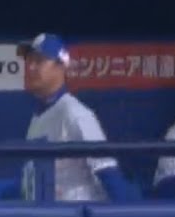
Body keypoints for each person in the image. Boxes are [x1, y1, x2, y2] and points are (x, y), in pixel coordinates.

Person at [18, 33, 138, 202]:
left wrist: (128, 216)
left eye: (39, 61)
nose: (30, 67)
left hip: (78, 212)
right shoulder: (38, 117)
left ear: (60, 67)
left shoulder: (74, 112)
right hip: (50, 213)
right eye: (29, 60)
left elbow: (107, 172)